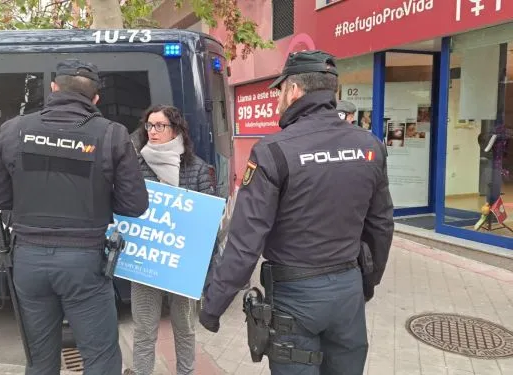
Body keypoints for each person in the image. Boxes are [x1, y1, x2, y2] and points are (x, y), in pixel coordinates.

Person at [199, 50, 394, 375]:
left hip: (295, 297)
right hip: (348, 291)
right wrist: (367, 281)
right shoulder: (370, 146)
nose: (277, 99)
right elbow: (381, 225)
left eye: (279, 90)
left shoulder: (273, 151)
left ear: (294, 89)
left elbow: (246, 241)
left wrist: (214, 305)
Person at [0, 58, 149, 375]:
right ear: (95, 99)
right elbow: (134, 205)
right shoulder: (112, 135)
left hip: (28, 261)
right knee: (101, 360)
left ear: (53, 88)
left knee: (39, 360)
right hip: (83, 263)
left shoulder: (12, 130)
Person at [123, 105, 216, 375]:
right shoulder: (135, 167)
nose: (152, 131)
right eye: (149, 125)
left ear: (175, 130)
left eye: (159, 126)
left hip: (182, 266)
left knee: (185, 330)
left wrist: (208, 269)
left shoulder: (196, 168)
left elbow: (206, 221)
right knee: (143, 332)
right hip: (146, 264)